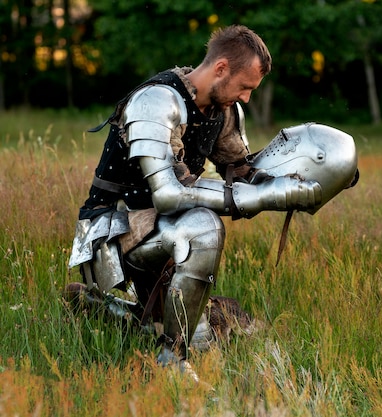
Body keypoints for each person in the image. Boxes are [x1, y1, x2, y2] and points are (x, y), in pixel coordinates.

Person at [66, 25, 324, 377]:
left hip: (163, 230)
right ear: (220, 69)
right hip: (112, 229)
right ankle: (171, 363)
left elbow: (242, 170)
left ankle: (99, 307)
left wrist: (307, 176)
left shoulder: (223, 110)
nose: (247, 97)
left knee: (207, 337)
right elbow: (169, 193)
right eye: (244, 87)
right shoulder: (157, 101)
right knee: (203, 225)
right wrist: (271, 196)